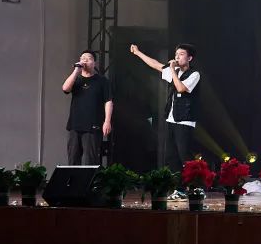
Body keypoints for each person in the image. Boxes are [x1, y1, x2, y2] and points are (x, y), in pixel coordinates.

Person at [130, 43, 201, 173]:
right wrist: (138, 53)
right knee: (171, 156)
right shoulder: (176, 71)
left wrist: (172, 70)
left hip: (185, 121)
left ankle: (195, 182)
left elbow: (181, 88)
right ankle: (177, 183)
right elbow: (156, 64)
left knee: (185, 156)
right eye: (176, 54)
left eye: (181, 54)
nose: (177, 57)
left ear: (189, 58)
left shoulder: (194, 74)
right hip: (171, 119)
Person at [61, 50, 113, 165]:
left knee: (90, 159)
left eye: (88, 58)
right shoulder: (76, 79)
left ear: (94, 63)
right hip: (75, 125)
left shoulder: (102, 81)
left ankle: (90, 177)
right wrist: (76, 70)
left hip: (93, 125)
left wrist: (107, 121)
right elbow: (65, 88)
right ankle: (73, 178)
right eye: (82, 58)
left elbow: (108, 101)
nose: (85, 60)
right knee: (73, 158)